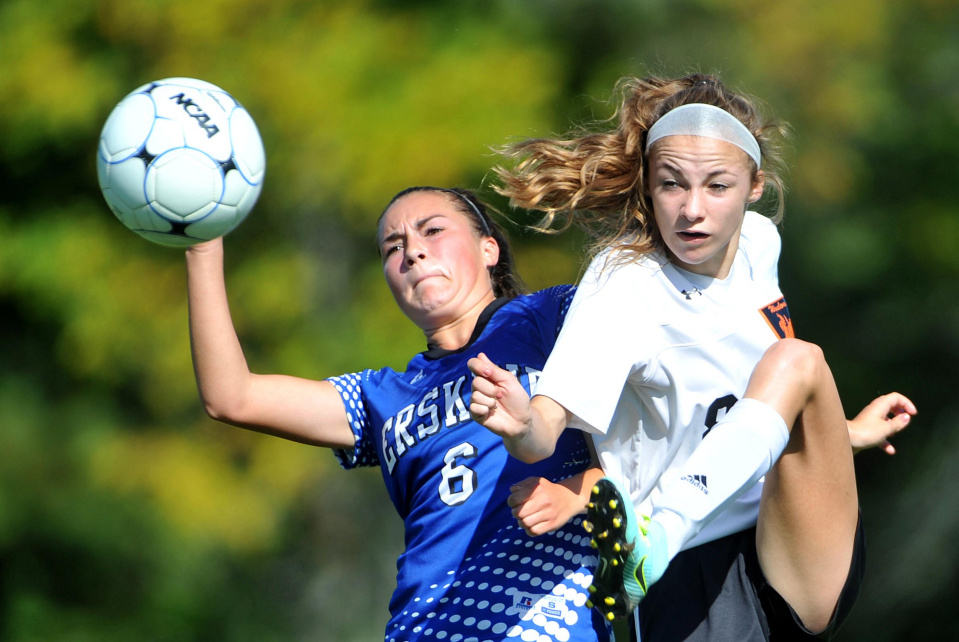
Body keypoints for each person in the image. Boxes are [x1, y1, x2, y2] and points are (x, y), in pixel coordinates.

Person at [467, 73, 917, 641]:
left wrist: (838, 433)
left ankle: (654, 537)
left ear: (755, 187)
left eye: (718, 186)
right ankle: (655, 543)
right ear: (648, 186)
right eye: (672, 184)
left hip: (792, 537)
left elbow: (751, 402)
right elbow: (541, 433)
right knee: (797, 362)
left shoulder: (759, 241)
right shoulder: (622, 284)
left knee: (798, 363)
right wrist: (521, 423)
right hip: (691, 572)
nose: (692, 210)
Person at [185, 185, 613, 641]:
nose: (412, 252)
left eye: (432, 230)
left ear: (488, 247)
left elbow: (662, 445)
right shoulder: (383, 395)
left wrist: (578, 490)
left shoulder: (555, 317)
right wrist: (202, 243)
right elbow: (231, 397)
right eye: (393, 247)